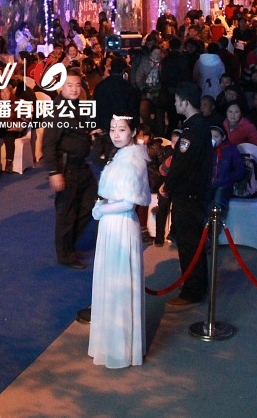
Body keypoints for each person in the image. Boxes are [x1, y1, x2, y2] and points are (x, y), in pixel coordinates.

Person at [86, 114, 151, 369]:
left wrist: (102, 210)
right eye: (113, 129)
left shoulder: (133, 160)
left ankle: (120, 348)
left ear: (132, 132)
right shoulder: (121, 155)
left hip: (121, 224)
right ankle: (108, 345)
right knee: (110, 281)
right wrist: (102, 206)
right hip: (111, 223)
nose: (115, 134)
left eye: (121, 129)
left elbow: (129, 202)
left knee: (119, 283)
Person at [161, 81, 212, 309]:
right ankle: (198, 286)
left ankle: (192, 292)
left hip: (188, 194)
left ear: (185, 102)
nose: (174, 104)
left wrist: (167, 185)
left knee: (189, 244)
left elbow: (181, 164)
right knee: (193, 243)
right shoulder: (200, 126)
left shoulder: (192, 130)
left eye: (177, 100)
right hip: (195, 193)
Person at [42, 70, 100, 269]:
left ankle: (71, 243)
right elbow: (48, 144)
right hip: (66, 168)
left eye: (77, 85)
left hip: (82, 166)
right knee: (66, 213)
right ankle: (65, 254)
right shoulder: (57, 110)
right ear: (61, 87)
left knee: (90, 204)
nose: (75, 89)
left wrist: (88, 134)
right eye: (70, 85)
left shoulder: (76, 105)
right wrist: (54, 172)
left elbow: (75, 132)